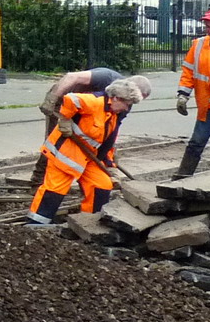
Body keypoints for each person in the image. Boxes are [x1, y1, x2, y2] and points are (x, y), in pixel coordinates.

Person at [25, 77, 143, 225]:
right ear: (115, 98)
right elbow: (70, 99)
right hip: (65, 155)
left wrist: (110, 167)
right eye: (127, 104)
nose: (127, 108)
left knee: (102, 184)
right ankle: (36, 222)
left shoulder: (113, 114)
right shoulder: (95, 101)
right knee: (55, 189)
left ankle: (90, 222)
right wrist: (65, 119)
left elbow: (107, 143)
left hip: (89, 157)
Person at [28, 69, 151, 186]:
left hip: (83, 109)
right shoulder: (107, 77)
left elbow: (111, 132)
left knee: (90, 144)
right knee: (55, 143)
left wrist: (109, 160)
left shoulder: (125, 103)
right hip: (63, 99)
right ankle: (38, 180)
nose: (132, 103)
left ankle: (88, 181)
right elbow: (72, 77)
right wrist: (52, 100)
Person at [173, 10, 210, 178]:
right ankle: (183, 176)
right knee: (196, 143)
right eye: (207, 26)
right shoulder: (198, 45)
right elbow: (188, 72)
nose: (209, 30)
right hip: (207, 108)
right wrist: (183, 93)